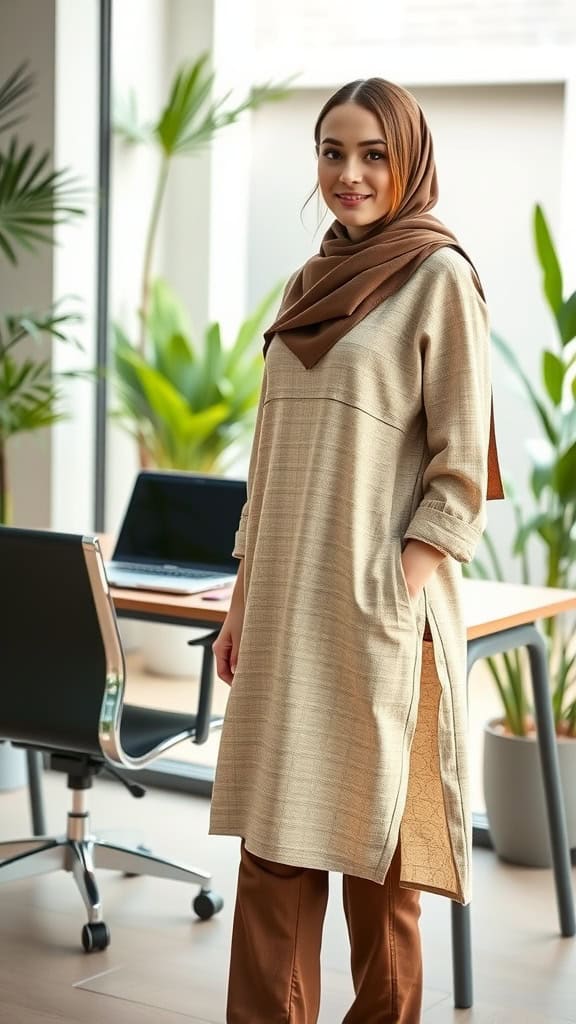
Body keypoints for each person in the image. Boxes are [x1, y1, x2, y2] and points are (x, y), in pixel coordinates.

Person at [210, 78, 504, 1024]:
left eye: (373, 153)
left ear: (408, 159)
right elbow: (270, 461)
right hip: (286, 605)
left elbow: (461, 468)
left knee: (385, 869)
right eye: (333, 152)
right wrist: (242, 601)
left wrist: (396, 584)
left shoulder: (440, 276)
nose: (349, 174)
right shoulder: (307, 283)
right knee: (273, 857)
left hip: (383, 617)